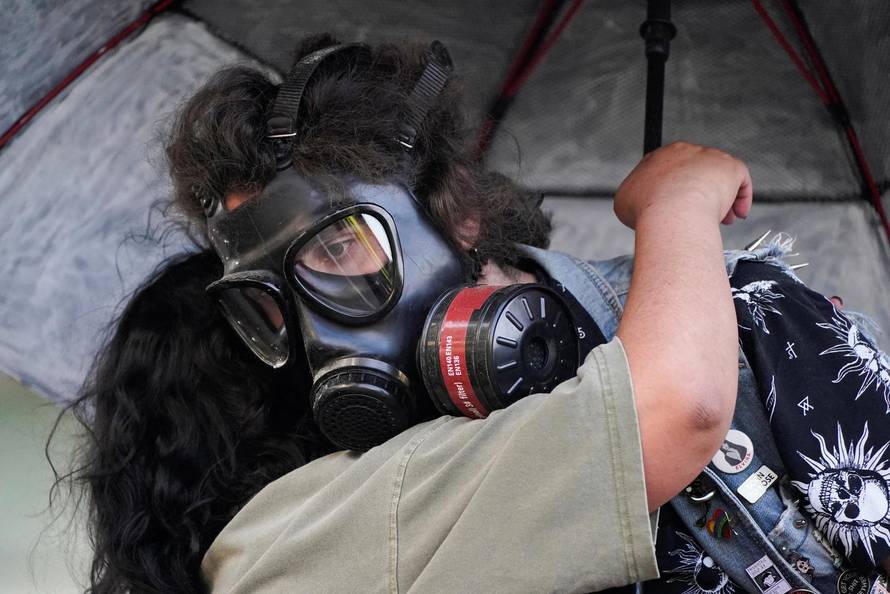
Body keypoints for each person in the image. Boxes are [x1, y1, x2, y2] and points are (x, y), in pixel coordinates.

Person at [59, 34, 890, 593]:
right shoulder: (355, 506)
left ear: (456, 214)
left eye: (338, 246)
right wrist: (677, 205)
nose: (319, 327)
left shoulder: (747, 315)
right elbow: (675, 410)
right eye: (269, 298)